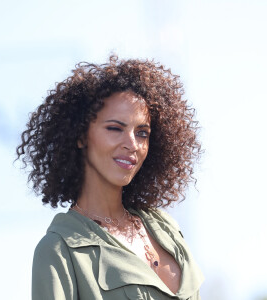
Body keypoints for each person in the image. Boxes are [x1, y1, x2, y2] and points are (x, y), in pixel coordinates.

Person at [16, 55, 204, 299]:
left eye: (142, 133)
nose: (132, 144)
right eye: (115, 128)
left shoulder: (166, 228)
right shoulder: (59, 251)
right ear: (80, 136)